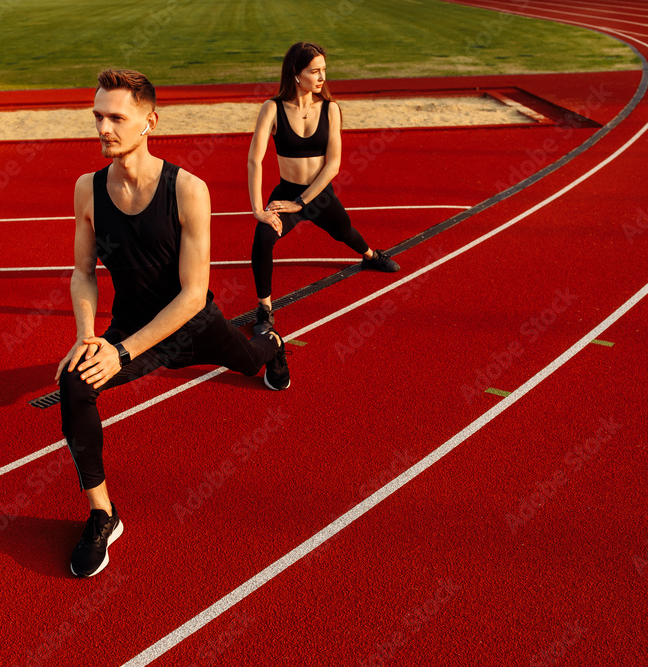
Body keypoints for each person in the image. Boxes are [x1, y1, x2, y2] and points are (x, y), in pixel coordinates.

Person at [56, 69, 290, 578]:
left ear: (149, 122)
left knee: (251, 360)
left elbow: (190, 295)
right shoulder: (87, 190)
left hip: (193, 325)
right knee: (74, 384)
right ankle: (103, 514)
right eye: (97, 116)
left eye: (116, 117)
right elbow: (81, 273)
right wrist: (88, 338)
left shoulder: (188, 189)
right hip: (130, 328)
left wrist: (122, 352)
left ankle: (270, 339)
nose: (102, 128)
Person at [248, 41, 400, 334]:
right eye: (314, 71)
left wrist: (301, 203)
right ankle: (265, 308)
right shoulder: (272, 108)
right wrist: (258, 209)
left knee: (344, 231)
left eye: (324, 71)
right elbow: (255, 161)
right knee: (263, 239)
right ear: (296, 73)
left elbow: (333, 165)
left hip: (317, 195)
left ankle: (370, 256)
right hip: (286, 193)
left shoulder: (331, 109)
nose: (322, 78)